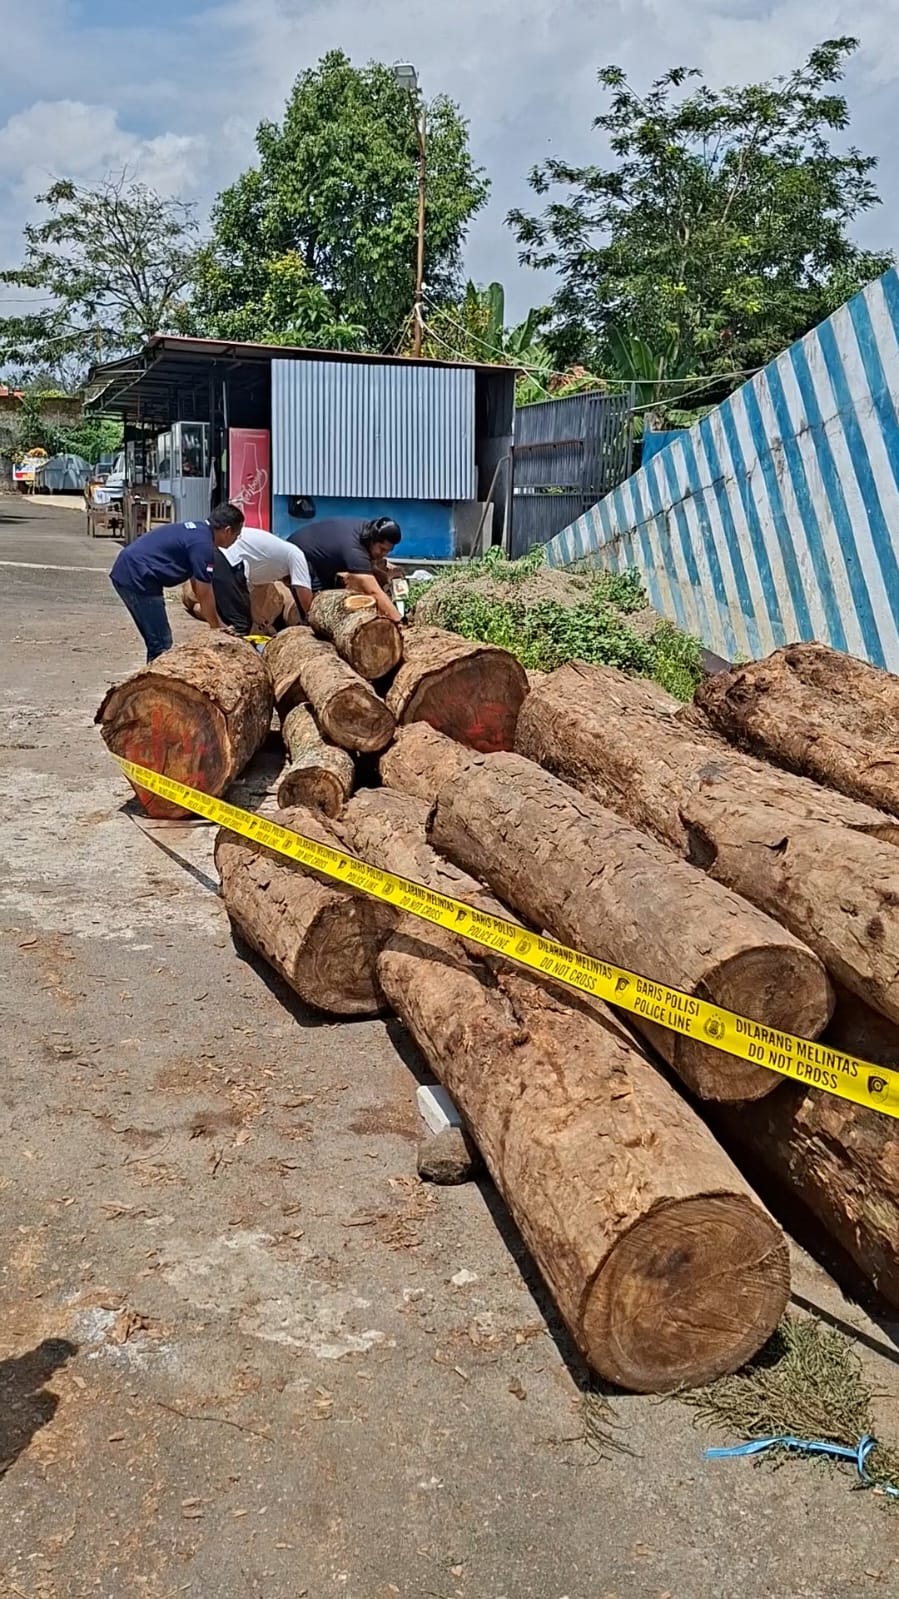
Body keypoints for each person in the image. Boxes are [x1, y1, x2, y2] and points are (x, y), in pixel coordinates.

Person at [110, 503, 245, 661]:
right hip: (138, 577)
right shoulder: (203, 545)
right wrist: (217, 626)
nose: (236, 540)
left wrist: (216, 624)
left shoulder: (199, 533)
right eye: (237, 535)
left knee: (157, 641)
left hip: (130, 570)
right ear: (227, 530)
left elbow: (197, 583)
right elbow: (204, 591)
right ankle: (156, 683)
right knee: (161, 644)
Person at [287, 516, 403, 622]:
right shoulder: (355, 550)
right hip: (301, 555)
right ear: (372, 540)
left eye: (388, 551)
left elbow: (368, 568)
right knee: (314, 611)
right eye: (382, 549)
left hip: (324, 559)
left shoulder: (367, 530)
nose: (383, 554)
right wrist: (399, 620)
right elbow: (373, 591)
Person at [222, 526, 313, 623]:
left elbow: (250, 593)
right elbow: (303, 589)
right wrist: (310, 619)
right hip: (228, 554)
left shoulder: (268, 569)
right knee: (239, 622)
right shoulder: (295, 554)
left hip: (226, 554)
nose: (288, 585)